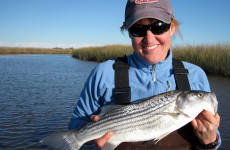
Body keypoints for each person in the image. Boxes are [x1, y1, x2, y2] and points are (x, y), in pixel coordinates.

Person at [68, 0, 221, 149]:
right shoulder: (104, 73)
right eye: (138, 29)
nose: (149, 39)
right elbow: (76, 123)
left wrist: (210, 141)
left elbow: (211, 138)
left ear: (172, 28)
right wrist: (89, 134)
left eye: (159, 27)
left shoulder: (195, 75)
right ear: (129, 32)